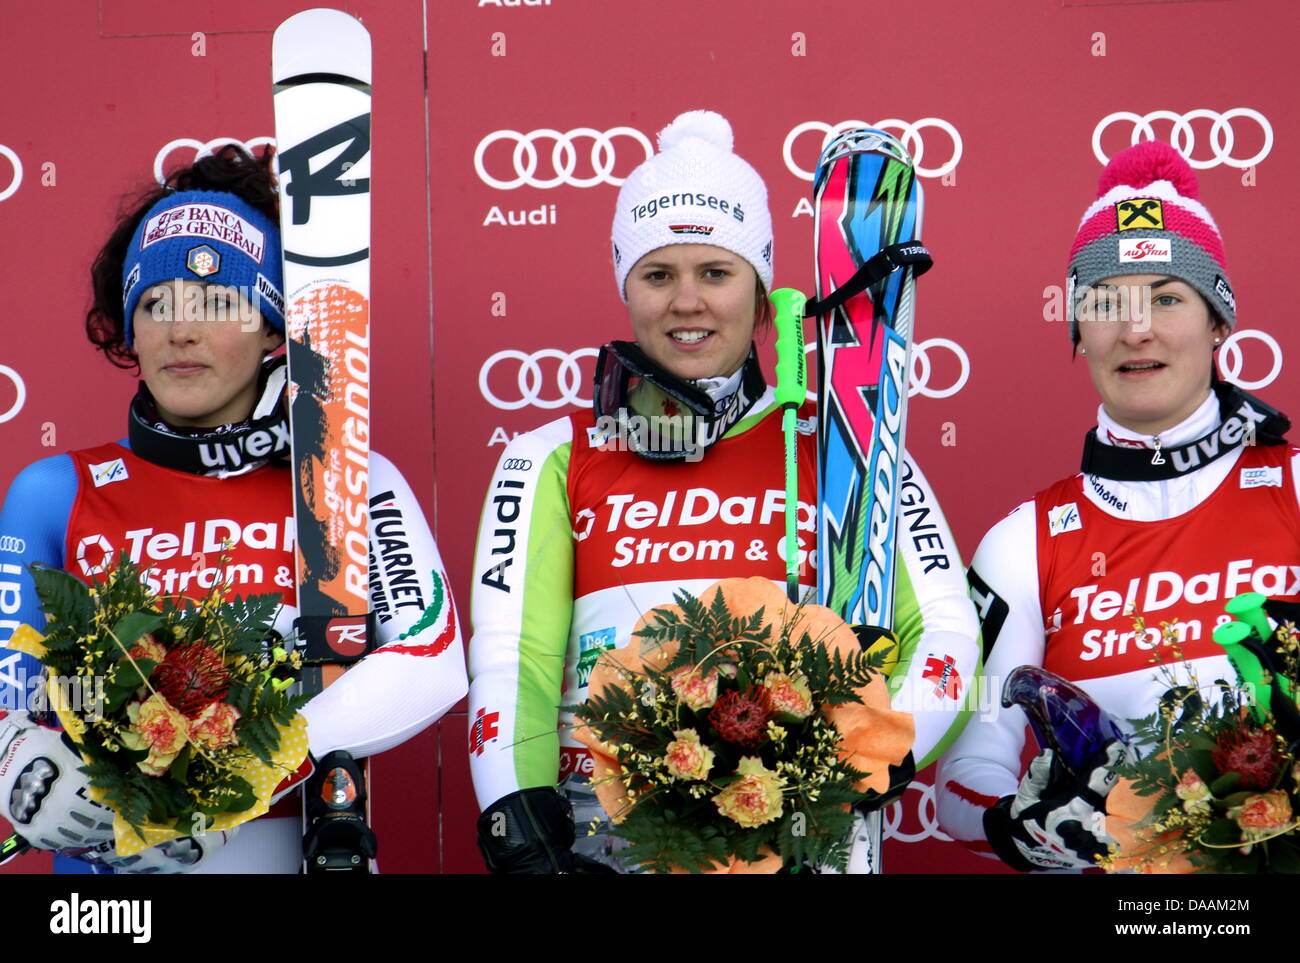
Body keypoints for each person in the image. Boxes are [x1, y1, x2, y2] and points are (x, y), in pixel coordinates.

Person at [468, 110, 980, 873]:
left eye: (715, 272)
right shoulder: (552, 457)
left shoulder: (849, 446)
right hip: (608, 846)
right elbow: (520, 660)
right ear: (624, 281)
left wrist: (859, 762)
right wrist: (520, 821)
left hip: (805, 840)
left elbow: (945, 634)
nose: (687, 302)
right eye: (657, 274)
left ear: (762, 283)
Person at [0, 145, 467, 873]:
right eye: (156, 304)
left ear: (275, 328)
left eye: (217, 302)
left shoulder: (344, 477)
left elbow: (429, 661)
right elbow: (14, 688)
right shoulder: (55, 491)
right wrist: (17, 751)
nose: (180, 330)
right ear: (128, 330)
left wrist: (242, 781)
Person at [935, 141, 1300, 871]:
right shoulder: (1023, 543)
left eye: (1167, 297)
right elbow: (962, 780)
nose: (1137, 330)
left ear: (1220, 322)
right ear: (1078, 331)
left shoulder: (1295, 487)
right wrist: (1033, 824)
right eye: (1106, 302)